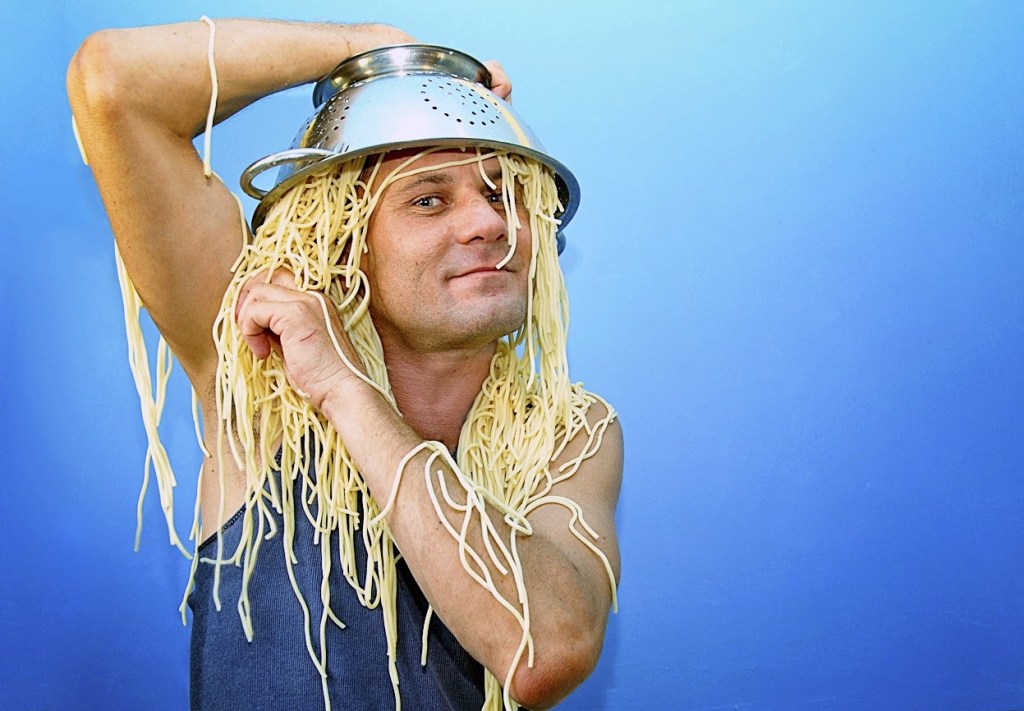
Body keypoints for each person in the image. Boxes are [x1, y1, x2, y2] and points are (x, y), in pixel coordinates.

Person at [67, 18, 622, 711]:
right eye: (428, 199)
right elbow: (115, 82)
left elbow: (547, 652)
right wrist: (369, 49)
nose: (489, 223)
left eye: (502, 193)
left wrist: (348, 390)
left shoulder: (569, 432)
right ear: (341, 243)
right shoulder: (262, 378)